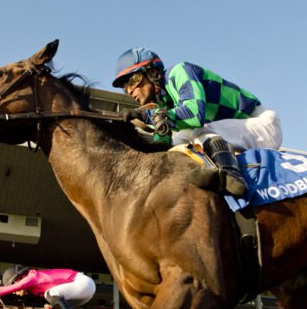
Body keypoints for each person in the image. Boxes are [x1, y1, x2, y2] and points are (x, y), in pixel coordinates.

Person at [112, 47, 283, 198]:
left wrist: (149, 116)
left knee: (197, 131)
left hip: (261, 124)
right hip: (234, 131)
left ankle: (231, 175)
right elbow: (163, 143)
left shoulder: (180, 71)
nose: (129, 91)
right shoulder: (166, 102)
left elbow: (195, 115)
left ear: (152, 73)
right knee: (178, 141)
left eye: (133, 81)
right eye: (124, 87)